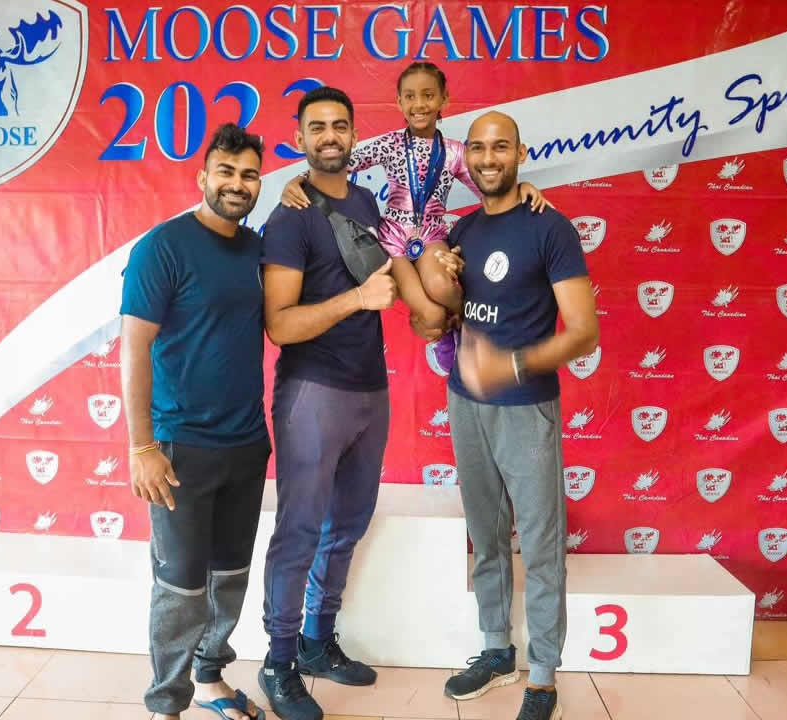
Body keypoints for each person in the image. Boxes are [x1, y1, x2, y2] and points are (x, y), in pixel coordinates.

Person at [440, 111, 599, 720]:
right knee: (485, 536)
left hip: (526, 408)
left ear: (520, 153)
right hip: (465, 403)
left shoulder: (551, 228)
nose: (488, 159)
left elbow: (583, 332)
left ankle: (543, 676)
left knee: (540, 544)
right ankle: (496, 649)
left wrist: (511, 366)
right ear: (467, 157)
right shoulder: (462, 229)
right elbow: (450, 310)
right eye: (478, 148)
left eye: (500, 147)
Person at [120, 123, 272, 720]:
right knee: (181, 584)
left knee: (229, 574)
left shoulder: (257, 249)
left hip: (246, 444)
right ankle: (166, 704)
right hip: (179, 448)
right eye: (226, 172)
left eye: (249, 175)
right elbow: (134, 348)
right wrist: (142, 447)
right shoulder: (162, 247)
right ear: (203, 176)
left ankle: (210, 680)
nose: (238, 184)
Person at [256, 86, 399, 720]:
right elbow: (280, 325)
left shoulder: (365, 201)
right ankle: (279, 661)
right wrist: (358, 300)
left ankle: (317, 640)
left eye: (340, 125)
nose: (330, 136)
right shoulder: (289, 217)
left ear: (354, 134)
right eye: (317, 127)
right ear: (300, 138)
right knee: (300, 530)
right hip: (313, 391)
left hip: (370, 389)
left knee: (347, 525)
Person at [279, 62, 548, 362]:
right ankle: (446, 332)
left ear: (444, 99)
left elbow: (489, 188)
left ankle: (475, 327)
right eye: (410, 96)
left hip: (432, 235)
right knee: (431, 315)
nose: (419, 104)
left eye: (428, 95)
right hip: (393, 240)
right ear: (399, 102)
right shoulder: (390, 144)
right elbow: (340, 162)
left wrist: (521, 188)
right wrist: (300, 179)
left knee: (442, 287)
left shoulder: (456, 152)